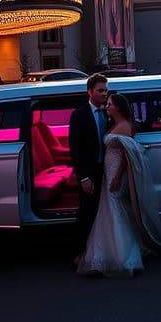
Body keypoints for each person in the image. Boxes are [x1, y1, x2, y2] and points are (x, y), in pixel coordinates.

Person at [77, 94, 161, 277]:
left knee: (115, 211)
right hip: (109, 172)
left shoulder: (123, 127)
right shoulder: (115, 125)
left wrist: (116, 178)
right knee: (111, 210)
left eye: (110, 104)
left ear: (119, 108)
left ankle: (123, 256)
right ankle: (110, 251)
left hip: (115, 174)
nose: (107, 107)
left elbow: (126, 156)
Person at [69, 73, 110, 263]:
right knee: (87, 211)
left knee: (107, 210)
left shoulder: (110, 112)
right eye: (100, 90)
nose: (104, 93)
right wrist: (83, 177)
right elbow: (75, 149)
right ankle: (80, 251)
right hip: (89, 171)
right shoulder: (79, 115)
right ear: (90, 92)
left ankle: (102, 248)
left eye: (106, 90)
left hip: (109, 169)